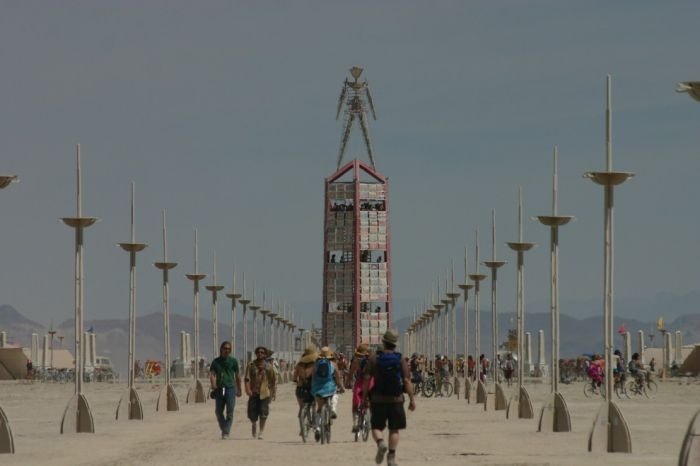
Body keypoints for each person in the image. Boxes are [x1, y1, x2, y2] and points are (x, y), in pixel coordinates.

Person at [362, 330, 415, 466]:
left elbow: (367, 379)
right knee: (394, 429)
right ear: (394, 344)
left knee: (376, 427)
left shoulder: (374, 358)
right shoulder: (400, 359)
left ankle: (380, 443)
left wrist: (363, 399)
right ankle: (391, 456)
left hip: (378, 399)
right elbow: (407, 380)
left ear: (384, 342)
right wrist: (412, 399)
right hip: (396, 399)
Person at [209, 341, 242, 440]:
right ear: (221, 349)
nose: (227, 350)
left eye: (228, 349)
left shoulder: (233, 361)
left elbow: (237, 376)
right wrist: (214, 385)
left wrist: (239, 389)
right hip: (221, 389)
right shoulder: (216, 362)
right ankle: (224, 428)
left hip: (230, 388)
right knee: (218, 411)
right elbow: (212, 375)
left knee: (230, 411)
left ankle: (226, 432)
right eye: (225, 348)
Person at [310, 346, 344, 440]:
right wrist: (341, 387)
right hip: (329, 387)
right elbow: (337, 378)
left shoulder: (316, 364)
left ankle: (317, 428)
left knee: (319, 408)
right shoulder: (332, 364)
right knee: (335, 393)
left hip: (317, 388)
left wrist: (313, 387)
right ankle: (333, 408)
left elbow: (313, 377)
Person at [244, 346, 277, 440]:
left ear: (265, 354)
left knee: (263, 413)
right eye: (258, 352)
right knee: (252, 413)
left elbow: (272, 381)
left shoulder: (269, 367)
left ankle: (261, 432)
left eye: (262, 352)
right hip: (253, 392)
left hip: (265, 392)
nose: (260, 354)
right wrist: (247, 390)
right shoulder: (251, 365)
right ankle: (254, 424)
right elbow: (247, 379)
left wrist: (273, 393)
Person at [347, 344, 373, 433]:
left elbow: (350, 373)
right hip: (370, 382)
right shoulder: (372, 360)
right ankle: (370, 416)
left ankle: (355, 423)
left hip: (360, 383)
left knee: (355, 404)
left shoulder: (355, 361)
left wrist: (347, 382)